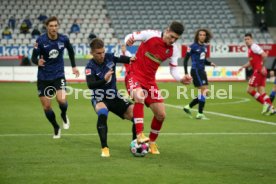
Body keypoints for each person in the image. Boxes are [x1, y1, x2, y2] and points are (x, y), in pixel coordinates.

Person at [124, 21, 192, 154]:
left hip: (150, 81)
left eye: (175, 39)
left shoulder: (173, 50)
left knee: (161, 114)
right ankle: (139, 135)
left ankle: (152, 142)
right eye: (171, 36)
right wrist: (129, 41)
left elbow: (174, 70)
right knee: (139, 96)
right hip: (134, 75)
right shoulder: (150, 35)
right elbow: (130, 36)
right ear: (167, 30)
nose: (172, 40)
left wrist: (181, 79)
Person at [85, 38, 136, 157]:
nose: (102, 55)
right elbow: (90, 85)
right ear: (92, 53)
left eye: (103, 52)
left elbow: (127, 59)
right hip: (99, 97)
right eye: (98, 53)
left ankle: (135, 143)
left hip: (115, 96)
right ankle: (105, 148)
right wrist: (104, 79)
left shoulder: (110, 56)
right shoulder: (89, 67)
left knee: (136, 114)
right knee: (102, 113)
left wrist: (133, 59)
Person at [31, 16, 80, 139]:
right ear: (47, 27)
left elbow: (71, 51)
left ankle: (63, 115)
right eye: (51, 26)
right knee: (47, 107)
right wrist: (37, 62)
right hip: (43, 77)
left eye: (55, 26)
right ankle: (56, 127)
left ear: (58, 26)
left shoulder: (64, 39)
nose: (53, 28)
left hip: (58, 75)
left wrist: (74, 66)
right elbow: (33, 57)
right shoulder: (40, 41)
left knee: (62, 100)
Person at [183, 28, 216, 120]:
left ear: (206, 37)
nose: (202, 36)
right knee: (203, 91)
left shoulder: (204, 47)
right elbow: (185, 60)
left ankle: (188, 107)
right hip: (196, 71)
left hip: (202, 71)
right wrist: (186, 73)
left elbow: (203, 60)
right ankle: (200, 114)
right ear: (197, 36)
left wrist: (210, 63)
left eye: (203, 35)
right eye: (200, 35)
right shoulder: (192, 46)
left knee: (204, 92)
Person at [238, 33, 275, 115]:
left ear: (251, 39)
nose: (246, 41)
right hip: (260, 71)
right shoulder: (250, 49)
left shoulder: (254, 46)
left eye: (248, 39)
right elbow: (251, 62)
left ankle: (266, 105)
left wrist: (262, 66)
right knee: (261, 91)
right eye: (245, 39)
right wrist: (243, 67)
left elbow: (264, 55)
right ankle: (272, 109)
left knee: (249, 90)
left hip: (258, 71)